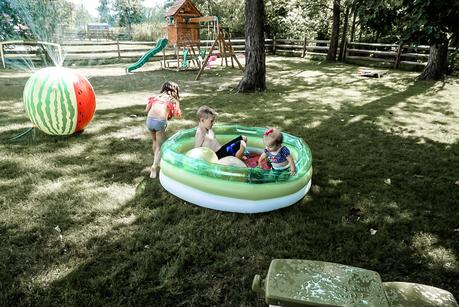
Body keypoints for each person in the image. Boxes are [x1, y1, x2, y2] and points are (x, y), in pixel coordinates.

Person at [145, 81, 182, 178]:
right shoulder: (172, 99)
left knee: (154, 141)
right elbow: (177, 115)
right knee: (160, 146)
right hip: (159, 121)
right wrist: (176, 104)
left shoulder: (155, 97)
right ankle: (154, 166)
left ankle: (156, 160)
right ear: (174, 91)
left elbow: (146, 110)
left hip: (149, 120)